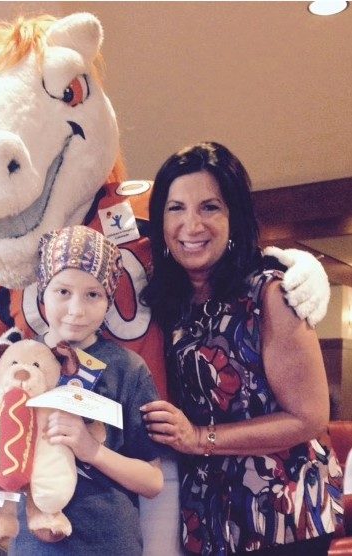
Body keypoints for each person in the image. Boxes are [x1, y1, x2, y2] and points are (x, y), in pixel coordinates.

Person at [140, 142, 343, 555]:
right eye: (175, 208)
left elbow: (310, 417)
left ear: (234, 215)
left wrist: (199, 437)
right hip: (205, 516)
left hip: (282, 515)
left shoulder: (269, 293)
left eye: (209, 207)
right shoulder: (168, 299)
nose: (191, 225)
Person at [4, 225, 162, 555]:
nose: (76, 309)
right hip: (34, 543)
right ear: (42, 292)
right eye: (63, 291)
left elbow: (152, 481)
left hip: (108, 542)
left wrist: (91, 449)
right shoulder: (17, 362)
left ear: (108, 300)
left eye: (93, 294)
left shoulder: (128, 369)